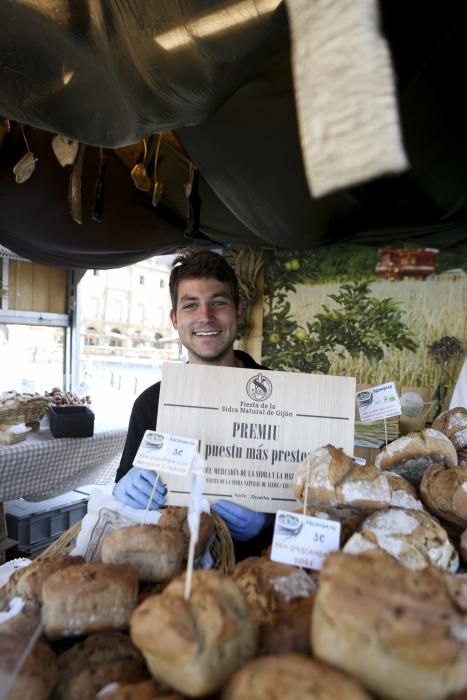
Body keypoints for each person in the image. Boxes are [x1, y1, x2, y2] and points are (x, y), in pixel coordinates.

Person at [114, 249, 272, 553]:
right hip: (173, 571)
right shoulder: (149, 404)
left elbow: (314, 509)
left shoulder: (285, 396)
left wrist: (267, 522)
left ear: (238, 312)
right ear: (175, 319)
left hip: (259, 568)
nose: (205, 316)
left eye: (219, 303)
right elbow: (125, 493)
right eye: (191, 305)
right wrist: (123, 490)